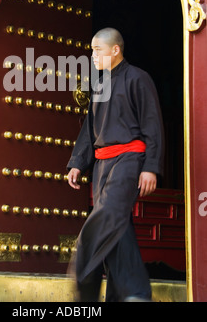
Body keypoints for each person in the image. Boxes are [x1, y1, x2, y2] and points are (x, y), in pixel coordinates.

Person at [67, 27, 164, 302]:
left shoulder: (138, 79)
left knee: (106, 217)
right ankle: (123, 296)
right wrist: (78, 162)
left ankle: (129, 292)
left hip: (129, 160)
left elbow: (152, 126)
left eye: (97, 50)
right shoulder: (100, 84)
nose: (93, 55)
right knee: (117, 227)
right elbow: (89, 129)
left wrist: (150, 167)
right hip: (101, 166)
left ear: (115, 50)